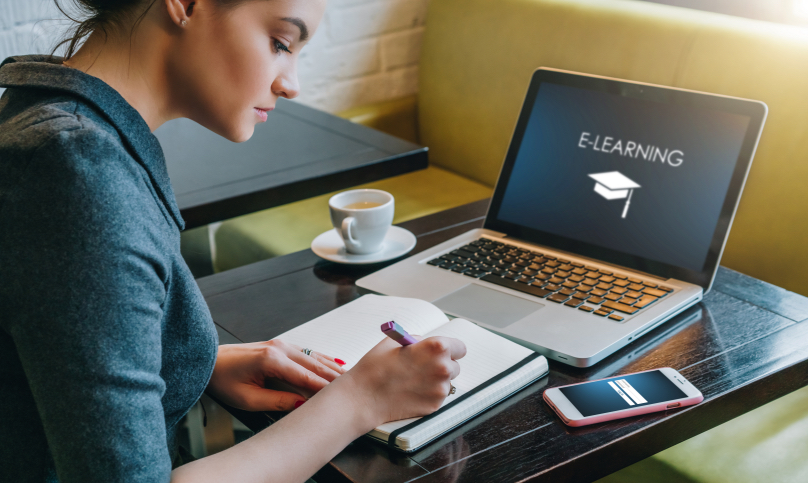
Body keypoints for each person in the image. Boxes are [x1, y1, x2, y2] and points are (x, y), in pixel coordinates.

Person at [0, 0, 467, 482]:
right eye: (280, 43)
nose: (291, 83)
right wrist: (360, 400)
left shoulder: (48, 116)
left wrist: (190, 359)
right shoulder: (77, 173)